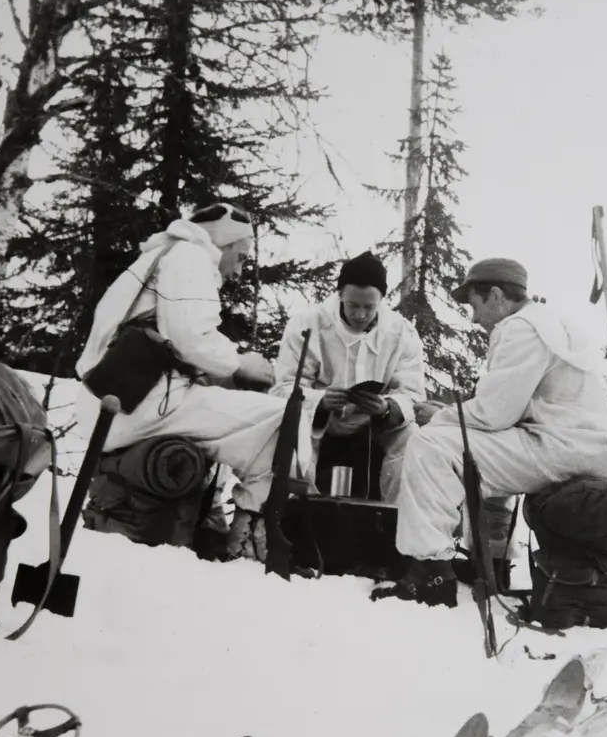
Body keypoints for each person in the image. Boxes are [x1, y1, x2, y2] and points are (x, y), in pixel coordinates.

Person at [371, 258, 607, 608]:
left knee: (431, 444)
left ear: (495, 295)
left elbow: (494, 413)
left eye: (474, 305)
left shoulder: (521, 327)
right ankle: (490, 562)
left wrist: (439, 416)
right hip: (585, 446)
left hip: (563, 446)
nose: (474, 318)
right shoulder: (549, 322)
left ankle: (429, 569)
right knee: (482, 454)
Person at [74, 201, 293, 563]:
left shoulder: (160, 256)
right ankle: (249, 541)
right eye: (240, 257)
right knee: (280, 420)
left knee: (231, 410)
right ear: (222, 244)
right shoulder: (190, 255)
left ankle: (210, 520)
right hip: (142, 406)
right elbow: (191, 337)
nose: (239, 271)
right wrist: (242, 363)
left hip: (117, 404)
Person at [269, 250, 426, 502]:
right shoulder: (307, 324)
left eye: (369, 307)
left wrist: (387, 408)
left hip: (373, 425)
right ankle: (298, 510)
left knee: (412, 439)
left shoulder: (401, 332)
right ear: (340, 294)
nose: (361, 315)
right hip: (318, 423)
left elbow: (412, 393)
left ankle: (395, 519)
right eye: (353, 305)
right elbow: (284, 387)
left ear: (381, 300)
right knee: (292, 429)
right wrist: (318, 400)